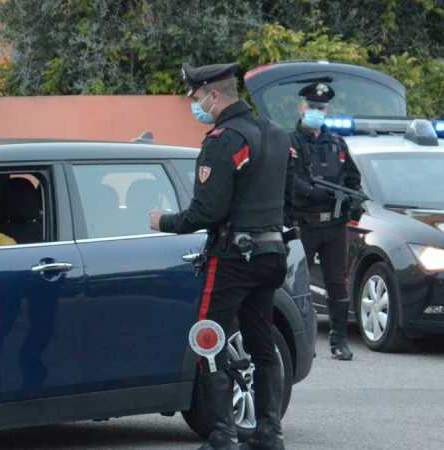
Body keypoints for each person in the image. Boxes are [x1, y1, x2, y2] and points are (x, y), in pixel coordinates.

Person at [150, 62, 290, 450]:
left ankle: (223, 435)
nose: (194, 105)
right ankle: (270, 433)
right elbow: (290, 196)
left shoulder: (223, 139)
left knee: (208, 341)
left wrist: (163, 221)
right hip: (272, 252)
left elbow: (205, 212)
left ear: (214, 94)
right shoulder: (277, 134)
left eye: (196, 97)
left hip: (233, 258)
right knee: (262, 345)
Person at [289, 81, 362, 361]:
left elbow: (353, 178)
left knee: (337, 283)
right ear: (301, 107)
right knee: (298, 283)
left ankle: (339, 341)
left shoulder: (337, 144)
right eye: (312, 106)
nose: (316, 112)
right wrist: (312, 192)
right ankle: (303, 342)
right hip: (304, 223)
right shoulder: (290, 142)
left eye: (321, 108)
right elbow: (288, 180)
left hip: (334, 225)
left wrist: (352, 199)